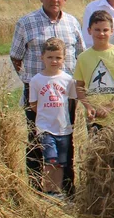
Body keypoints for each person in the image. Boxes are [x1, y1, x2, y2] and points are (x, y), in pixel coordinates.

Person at [10, 0, 84, 192]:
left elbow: (79, 53)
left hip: (64, 93)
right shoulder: (26, 23)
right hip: (38, 93)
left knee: (65, 139)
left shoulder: (72, 23)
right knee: (36, 140)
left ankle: (67, 190)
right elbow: (16, 56)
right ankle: (35, 190)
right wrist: (31, 82)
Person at [27, 37, 77, 196]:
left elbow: (70, 102)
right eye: (50, 57)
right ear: (42, 57)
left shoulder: (68, 80)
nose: (54, 61)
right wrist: (44, 116)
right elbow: (34, 105)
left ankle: (58, 191)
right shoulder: (36, 80)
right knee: (51, 161)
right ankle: (49, 191)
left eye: (58, 57)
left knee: (61, 163)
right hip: (45, 128)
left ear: (64, 58)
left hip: (63, 128)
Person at [75, 10, 114, 134]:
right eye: (97, 29)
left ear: (112, 31)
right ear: (89, 30)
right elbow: (79, 86)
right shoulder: (83, 57)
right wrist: (88, 107)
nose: (101, 33)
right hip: (95, 117)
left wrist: (110, 106)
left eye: (105, 30)